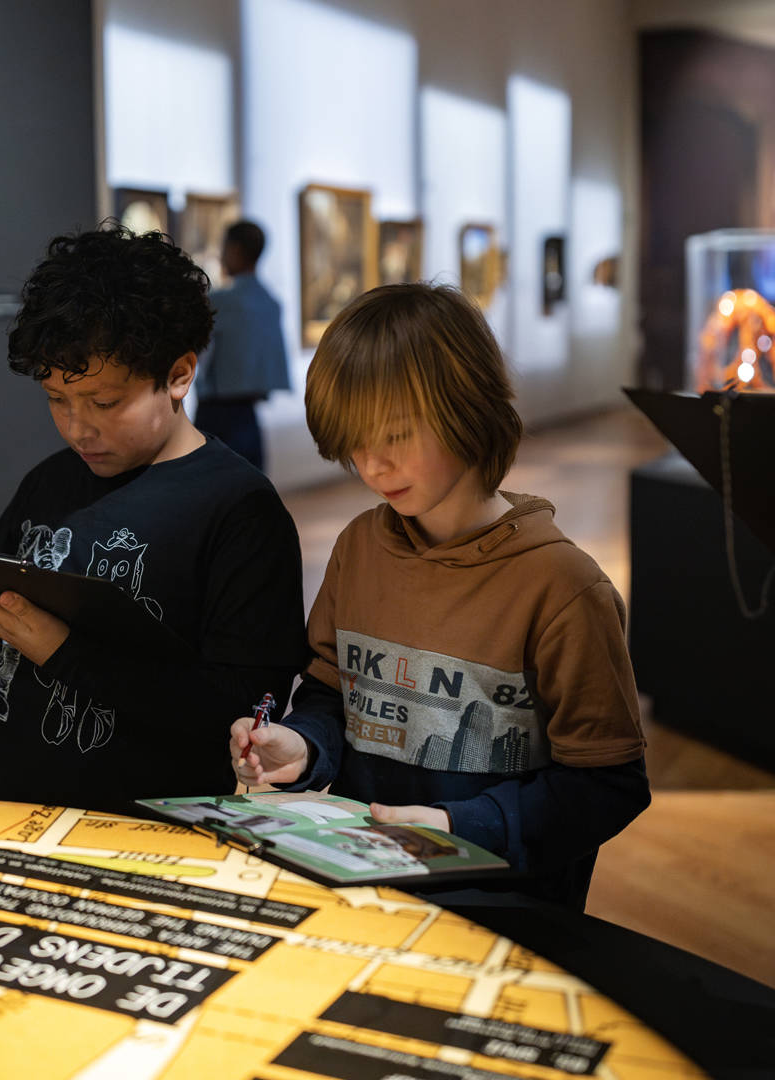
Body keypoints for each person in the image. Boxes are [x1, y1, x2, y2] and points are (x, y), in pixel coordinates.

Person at [0, 224, 306, 816]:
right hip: (2, 801)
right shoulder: (50, 480)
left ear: (178, 375)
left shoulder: (240, 511)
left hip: (145, 828)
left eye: (103, 402)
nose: (77, 428)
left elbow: (236, 708)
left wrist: (63, 651)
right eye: (56, 399)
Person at [230, 282, 650, 909]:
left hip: (503, 911)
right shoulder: (359, 549)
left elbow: (607, 784)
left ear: (467, 408)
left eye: (395, 436)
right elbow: (331, 693)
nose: (371, 466)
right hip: (365, 888)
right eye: (353, 443)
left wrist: (458, 827)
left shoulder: (563, 587)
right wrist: (302, 746)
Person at [194, 220, 289, 470]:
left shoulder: (220, 302)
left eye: (224, 247)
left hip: (217, 414)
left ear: (235, 250)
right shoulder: (270, 303)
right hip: (249, 415)